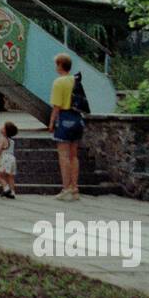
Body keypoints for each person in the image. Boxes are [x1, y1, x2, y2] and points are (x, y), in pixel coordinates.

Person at [47, 53, 84, 201]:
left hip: (64, 118)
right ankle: (75, 188)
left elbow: (56, 106)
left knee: (63, 156)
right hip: (77, 119)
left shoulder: (59, 82)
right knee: (74, 155)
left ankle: (66, 188)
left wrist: (51, 122)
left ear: (60, 65)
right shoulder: (75, 80)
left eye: (57, 64)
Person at [0, 121, 18, 199]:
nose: (1, 128)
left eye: (3, 127)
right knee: (10, 177)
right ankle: (13, 192)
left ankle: (6, 188)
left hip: (5, 158)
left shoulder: (2, 138)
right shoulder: (12, 141)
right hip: (12, 159)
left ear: (5, 131)